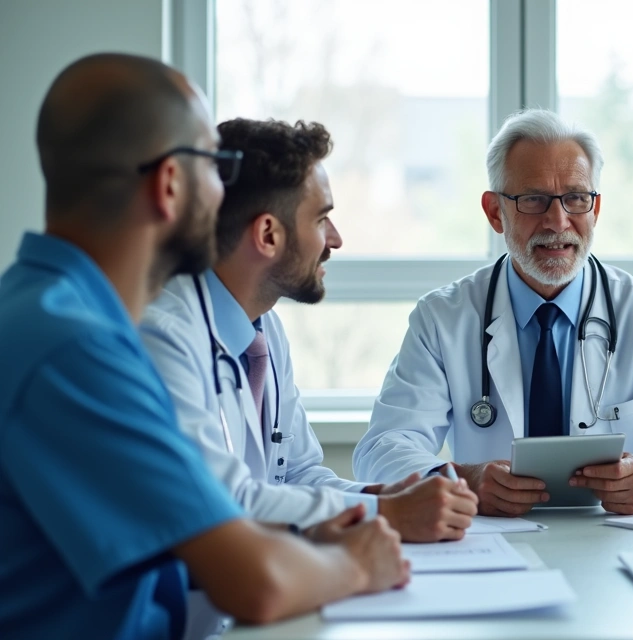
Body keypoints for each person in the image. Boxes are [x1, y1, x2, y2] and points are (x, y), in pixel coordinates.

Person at [0, 53, 408, 639]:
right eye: (214, 165)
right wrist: (358, 562)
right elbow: (256, 580)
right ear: (170, 184)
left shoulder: (56, 313)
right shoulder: (74, 350)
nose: (226, 190)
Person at [354, 109, 633, 516]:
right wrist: (462, 479)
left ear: (595, 210)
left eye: (576, 198)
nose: (558, 220)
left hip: (615, 543)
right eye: (534, 200)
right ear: (495, 212)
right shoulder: (443, 318)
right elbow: (381, 449)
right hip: (492, 545)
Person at [140, 117, 478, 542]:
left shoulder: (265, 332)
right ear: (268, 234)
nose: (334, 240)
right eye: (321, 220)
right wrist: (386, 512)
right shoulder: (164, 338)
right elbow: (220, 502)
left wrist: (382, 493)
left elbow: (297, 474)